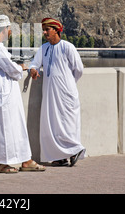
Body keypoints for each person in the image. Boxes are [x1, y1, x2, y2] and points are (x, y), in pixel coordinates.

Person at [0, 15, 45, 173]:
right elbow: (11, 69)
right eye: (9, 29)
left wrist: (17, 67)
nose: (10, 32)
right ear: (3, 29)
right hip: (4, 97)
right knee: (4, 130)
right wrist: (21, 67)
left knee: (15, 128)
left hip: (5, 95)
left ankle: (26, 160)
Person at [29, 17, 86, 167]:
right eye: (44, 30)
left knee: (68, 122)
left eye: (47, 29)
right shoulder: (44, 48)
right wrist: (33, 70)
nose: (45, 33)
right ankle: (60, 157)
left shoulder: (68, 47)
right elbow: (34, 63)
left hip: (66, 92)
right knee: (53, 123)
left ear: (56, 30)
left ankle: (74, 150)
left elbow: (78, 69)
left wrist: (68, 84)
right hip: (50, 94)